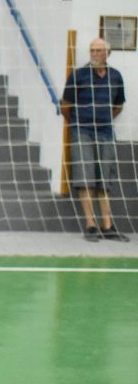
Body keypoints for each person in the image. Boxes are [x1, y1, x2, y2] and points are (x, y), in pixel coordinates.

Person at [59, 38, 128, 242]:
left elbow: (118, 106)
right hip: (82, 131)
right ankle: (90, 225)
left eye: (99, 50)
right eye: (92, 50)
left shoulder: (115, 76)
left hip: (106, 132)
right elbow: (65, 106)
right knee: (85, 177)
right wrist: (80, 122)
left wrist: (102, 119)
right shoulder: (78, 75)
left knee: (104, 180)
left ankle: (108, 226)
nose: (95, 54)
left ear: (108, 53)